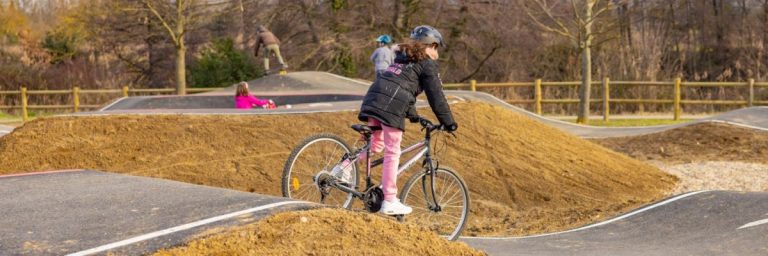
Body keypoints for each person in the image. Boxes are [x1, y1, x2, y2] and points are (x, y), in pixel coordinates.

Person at [332, 25, 458, 215]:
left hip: (374, 99)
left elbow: (402, 88)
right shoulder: (427, 64)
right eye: (436, 47)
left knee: (376, 145)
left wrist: (414, 115)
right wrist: (449, 122)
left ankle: (343, 168)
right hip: (390, 106)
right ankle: (389, 199)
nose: (437, 53)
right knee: (393, 151)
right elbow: (436, 96)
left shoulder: (403, 59)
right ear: (430, 45)